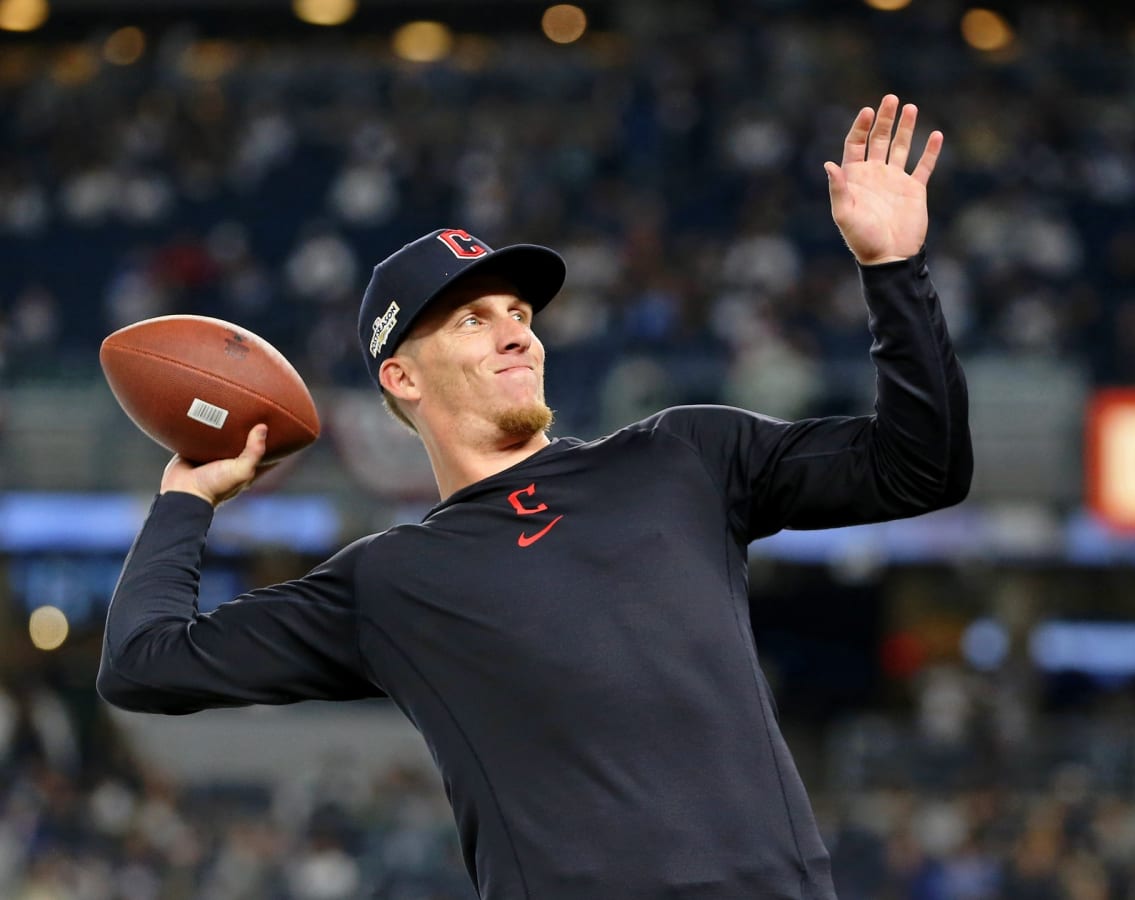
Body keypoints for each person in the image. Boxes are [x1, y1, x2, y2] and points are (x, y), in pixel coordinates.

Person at [97, 95, 971, 900]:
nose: (516, 330)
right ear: (399, 374)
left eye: (519, 311)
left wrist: (893, 270)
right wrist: (188, 495)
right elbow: (142, 663)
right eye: (473, 319)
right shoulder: (392, 582)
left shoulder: (683, 457)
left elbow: (920, 468)